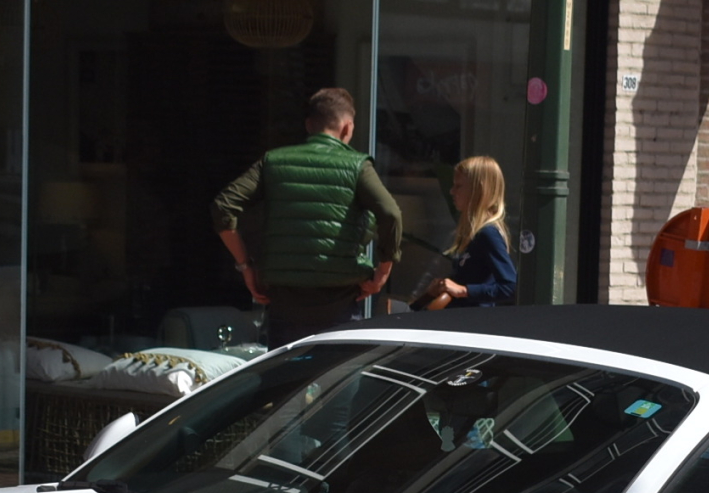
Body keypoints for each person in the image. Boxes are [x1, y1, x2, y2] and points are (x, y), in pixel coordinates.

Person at [212, 88, 403, 345]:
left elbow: (223, 206)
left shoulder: (273, 161)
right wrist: (383, 271)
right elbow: (390, 213)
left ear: (309, 125)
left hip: (284, 299)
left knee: (285, 381)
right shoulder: (357, 166)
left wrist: (246, 266)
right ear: (347, 128)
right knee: (338, 380)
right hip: (339, 299)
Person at [420, 155, 518, 310]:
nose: (452, 191)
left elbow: (510, 286)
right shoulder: (472, 233)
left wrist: (464, 291)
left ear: (478, 190)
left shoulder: (488, 233)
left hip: (472, 325)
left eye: (458, 186)